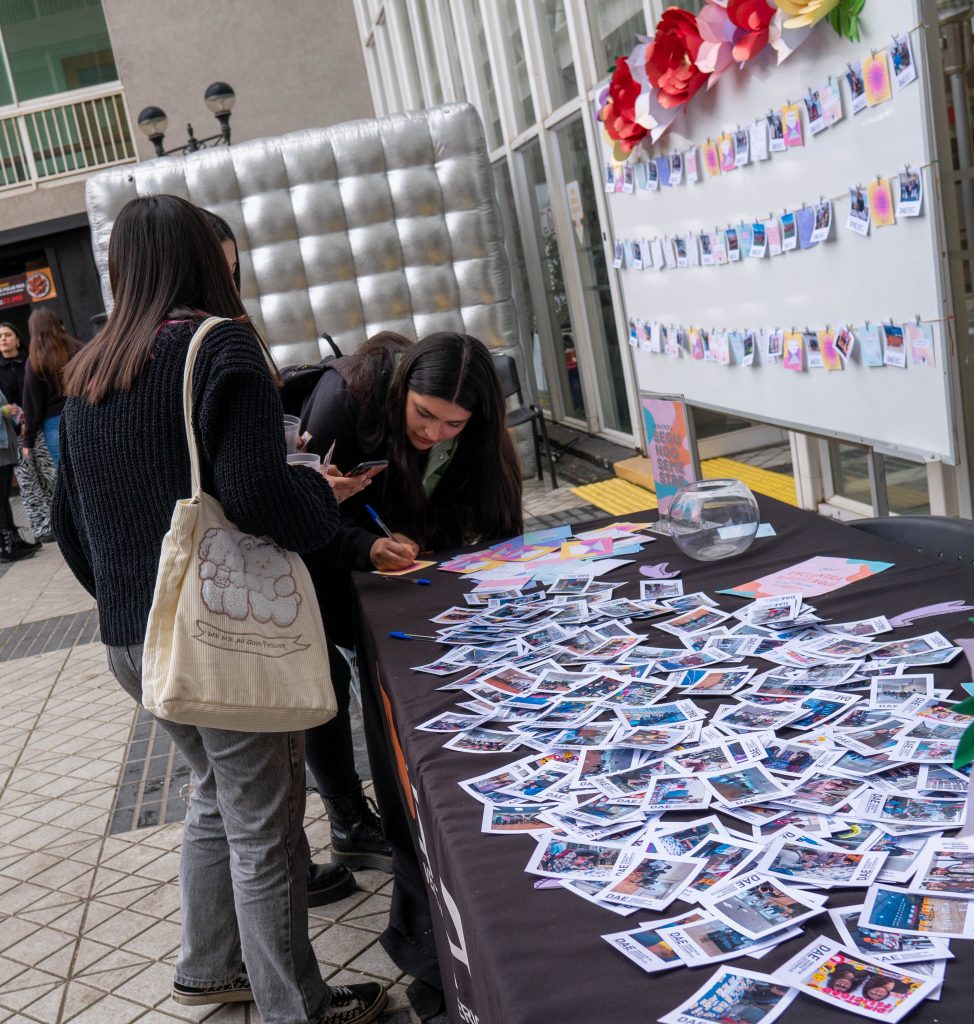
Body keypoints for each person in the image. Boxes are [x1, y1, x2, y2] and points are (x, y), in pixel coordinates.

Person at [51, 193, 386, 1024]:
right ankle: (295, 1007)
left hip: (135, 638)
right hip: (221, 636)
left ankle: (207, 969)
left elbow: (67, 523)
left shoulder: (91, 366)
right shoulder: (218, 344)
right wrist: (318, 492)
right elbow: (254, 490)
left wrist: (132, 607)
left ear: (121, 269)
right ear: (208, 256)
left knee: (214, 796)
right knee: (265, 829)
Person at [299, 331, 522, 1013]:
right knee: (344, 692)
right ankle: (350, 815)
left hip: (417, 576)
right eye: (424, 416)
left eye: (454, 425)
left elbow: (495, 514)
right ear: (400, 394)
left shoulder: (474, 437)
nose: (434, 433)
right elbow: (297, 514)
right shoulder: (345, 401)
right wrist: (365, 544)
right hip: (340, 575)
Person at [0, 321, 43, 558]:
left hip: (21, 434)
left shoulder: (29, 360)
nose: (3, 340)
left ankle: (14, 538)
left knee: (5, 496)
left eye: (7, 334)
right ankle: (9, 543)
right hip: (8, 435)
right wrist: (6, 411)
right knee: (8, 494)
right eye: (0, 336)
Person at [22, 306, 82, 467]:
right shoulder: (78, 348)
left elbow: (32, 403)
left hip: (54, 422)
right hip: (84, 412)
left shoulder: (35, 360)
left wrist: (28, 440)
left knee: (67, 475)